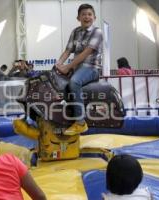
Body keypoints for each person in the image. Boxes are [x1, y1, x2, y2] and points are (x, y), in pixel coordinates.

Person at [56, 3, 103, 135]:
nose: (86, 17)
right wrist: (58, 64)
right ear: (78, 17)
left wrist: (67, 67)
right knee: (58, 83)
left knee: (74, 82)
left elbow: (85, 53)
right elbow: (68, 50)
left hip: (91, 68)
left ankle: (80, 122)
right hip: (77, 68)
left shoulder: (97, 32)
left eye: (89, 14)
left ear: (94, 17)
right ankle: (64, 117)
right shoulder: (75, 32)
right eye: (83, 14)